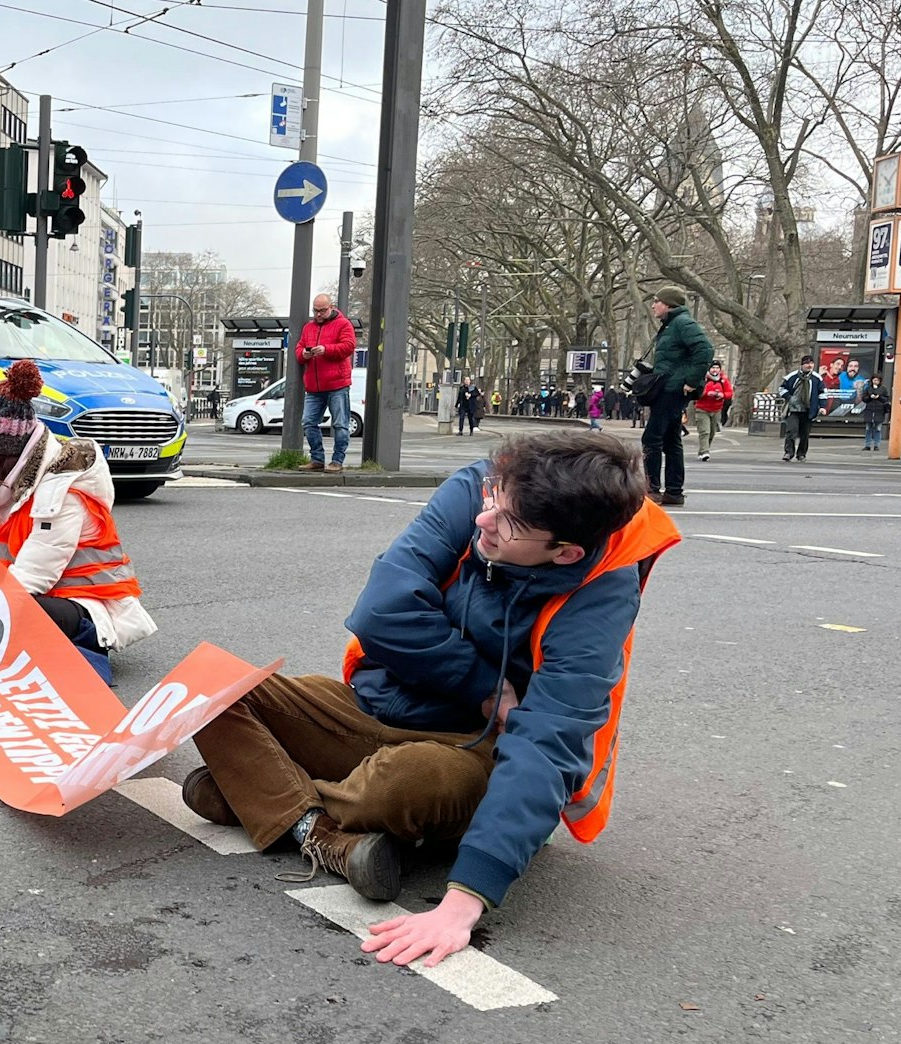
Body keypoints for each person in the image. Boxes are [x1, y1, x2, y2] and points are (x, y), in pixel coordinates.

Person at [181, 432, 676, 967]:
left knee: (405, 782)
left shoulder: (601, 594)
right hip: (375, 706)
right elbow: (381, 612)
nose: (484, 521)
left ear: (565, 552)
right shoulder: (486, 489)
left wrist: (463, 904)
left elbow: (548, 744)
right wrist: (487, 689)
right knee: (210, 689)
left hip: (468, 748)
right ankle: (323, 834)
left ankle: (257, 791)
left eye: (510, 524)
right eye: (494, 500)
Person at [0, 361, 156, 684]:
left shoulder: (62, 489)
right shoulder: (12, 480)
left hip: (80, 607)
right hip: (30, 590)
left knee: (8, 611)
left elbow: (32, 578)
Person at [638, 286, 712, 507]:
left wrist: (691, 380)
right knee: (671, 440)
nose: (653, 305)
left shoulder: (682, 324)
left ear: (669, 304)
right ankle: (673, 491)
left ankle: (651, 489)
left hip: (672, 389)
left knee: (651, 439)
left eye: (657, 301)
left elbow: (705, 350)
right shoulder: (673, 324)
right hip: (670, 387)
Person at [295, 293, 356, 472]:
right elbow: (299, 348)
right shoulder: (308, 328)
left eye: (322, 311)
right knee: (308, 422)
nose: (318, 314)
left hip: (337, 384)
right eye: (315, 311)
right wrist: (303, 354)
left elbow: (349, 346)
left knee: (340, 424)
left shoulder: (344, 324)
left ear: (331, 307)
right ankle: (317, 459)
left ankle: (337, 461)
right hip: (314, 386)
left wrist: (326, 350)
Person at [777, 355, 824, 462]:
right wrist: (789, 397)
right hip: (794, 409)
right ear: (802, 365)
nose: (809, 365)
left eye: (811, 363)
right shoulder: (792, 376)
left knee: (805, 434)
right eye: (807, 363)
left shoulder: (817, 378)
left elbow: (822, 393)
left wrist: (822, 406)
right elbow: (782, 389)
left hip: (808, 410)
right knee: (791, 431)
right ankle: (789, 452)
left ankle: (801, 454)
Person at [688, 361, 732, 462]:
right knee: (705, 431)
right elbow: (696, 393)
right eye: (713, 368)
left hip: (716, 409)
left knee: (712, 432)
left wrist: (722, 395)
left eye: (717, 368)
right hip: (702, 409)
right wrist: (707, 393)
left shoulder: (723, 380)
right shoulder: (703, 379)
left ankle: (703, 449)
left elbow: (729, 392)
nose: (715, 370)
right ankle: (704, 451)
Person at [858, 373, 892, 451]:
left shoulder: (883, 389)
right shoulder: (868, 388)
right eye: (874, 380)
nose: (875, 381)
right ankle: (867, 445)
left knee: (878, 429)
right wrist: (870, 397)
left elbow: (886, 399)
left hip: (879, 410)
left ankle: (877, 445)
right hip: (869, 410)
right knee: (868, 428)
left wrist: (879, 397)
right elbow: (864, 398)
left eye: (877, 380)